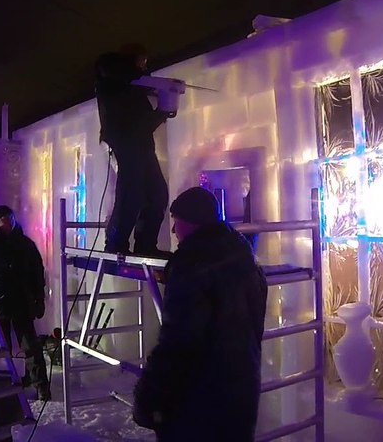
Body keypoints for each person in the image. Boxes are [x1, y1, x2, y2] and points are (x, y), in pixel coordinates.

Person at [133, 187, 267, 441]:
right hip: (240, 395)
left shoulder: (193, 266)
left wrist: (148, 395)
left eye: (177, 222)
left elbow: (178, 340)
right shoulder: (246, 262)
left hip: (198, 403)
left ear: (192, 222)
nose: (173, 231)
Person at [95, 45, 173, 256]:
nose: (144, 65)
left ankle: (144, 246)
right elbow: (135, 121)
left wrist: (163, 112)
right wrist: (163, 109)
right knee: (132, 193)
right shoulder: (113, 75)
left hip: (139, 145)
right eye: (142, 61)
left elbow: (143, 123)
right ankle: (116, 245)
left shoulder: (134, 85)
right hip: (122, 143)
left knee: (156, 194)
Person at [0, 204, 50, 400]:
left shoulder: (26, 246)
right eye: (3, 220)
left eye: (9, 219)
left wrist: (39, 298)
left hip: (22, 305)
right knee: (2, 351)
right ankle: (6, 387)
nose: (7, 223)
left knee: (31, 348)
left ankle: (40, 385)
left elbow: (37, 272)